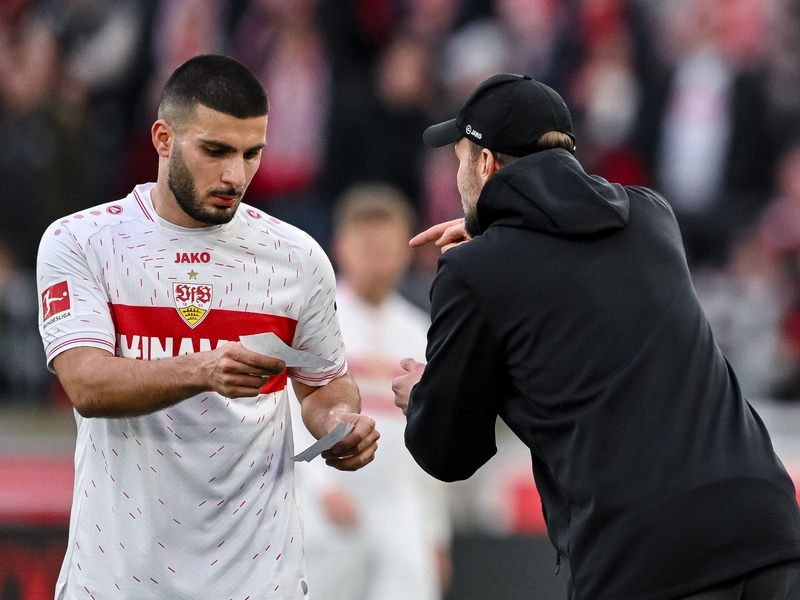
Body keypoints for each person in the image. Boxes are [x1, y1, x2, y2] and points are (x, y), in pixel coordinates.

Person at [392, 73, 800, 600]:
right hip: (767, 529)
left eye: (461, 159)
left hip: (646, 560)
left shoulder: (474, 272)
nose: (458, 175)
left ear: (487, 163)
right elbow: (572, 248)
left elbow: (449, 451)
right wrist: (497, 227)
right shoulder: (653, 218)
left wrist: (423, 396)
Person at [36, 54, 379, 600]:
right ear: (163, 138)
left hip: (258, 580)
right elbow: (87, 385)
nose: (234, 175)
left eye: (251, 154)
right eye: (215, 151)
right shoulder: (82, 242)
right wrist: (202, 368)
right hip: (119, 580)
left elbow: (322, 384)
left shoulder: (297, 258)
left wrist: (339, 422)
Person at [291, 184, 451, 600]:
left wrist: (435, 532)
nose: (377, 257)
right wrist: (318, 488)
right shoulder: (317, 322)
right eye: (367, 245)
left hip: (399, 509)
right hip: (329, 504)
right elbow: (286, 416)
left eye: (387, 245)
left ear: (405, 249)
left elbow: (431, 438)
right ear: (340, 246)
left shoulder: (421, 333)